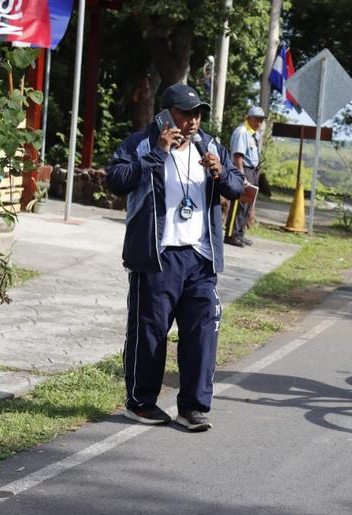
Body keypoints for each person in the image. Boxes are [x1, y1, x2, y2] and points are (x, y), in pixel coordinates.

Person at [106, 84, 244, 431]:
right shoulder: (140, 144)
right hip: (157, 255)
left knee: (203, 330)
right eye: (186, 113)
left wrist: (222, 173)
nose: (193, 121)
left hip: (200, 257)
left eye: (198, 114)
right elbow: (116, 180)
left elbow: (239, 188)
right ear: (165, 114)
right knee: (150, 333)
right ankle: (141, 403)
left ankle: (193, 408)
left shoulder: (211, 146)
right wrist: (157, 152)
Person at [225, 106, 265, 247]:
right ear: (249, 118)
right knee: (239, 204)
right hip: (243, 170)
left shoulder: (253, 133)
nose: (260, 123)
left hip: (252, 171)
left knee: (247, 204)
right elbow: (238, 156)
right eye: (257, 119)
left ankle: (240, 233)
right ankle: (231, 234)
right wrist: (242, 176)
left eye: (261, 120)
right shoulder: (242, 132)